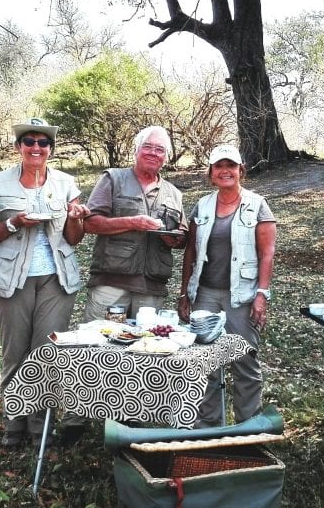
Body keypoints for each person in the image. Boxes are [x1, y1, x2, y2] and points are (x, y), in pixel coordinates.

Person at [0, 118, 89, 449]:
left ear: (50, 150)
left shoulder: (67, 183)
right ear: (19, 148)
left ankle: (40, 427)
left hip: (56, 279)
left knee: (46, 354)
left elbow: (74, 238)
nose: (36, 148)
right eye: (30, 142)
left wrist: (75, 218)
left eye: (43, 143)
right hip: (13, 279)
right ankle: (14, 426)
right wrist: (14, 222)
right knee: (16, 353)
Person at [177, 144, 277, 427]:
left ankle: (249, 428)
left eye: (231, 166)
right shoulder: (203, 205)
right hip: (206, 294)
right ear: (211, 174)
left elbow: (266, 253)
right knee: (204, 362)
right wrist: (185, 293)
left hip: (241, 296)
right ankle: (208, 426)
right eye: (218, 166)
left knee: (244, 361)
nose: (225, 171)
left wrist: (261, 295)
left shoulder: (257, 205)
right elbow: (191, 252)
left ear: (240, 171)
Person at [82, 125, 187, 322]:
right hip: (111, 286)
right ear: (136, 150)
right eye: (147, 146)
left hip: (151, 289)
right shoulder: (113, 179)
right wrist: (133, 222)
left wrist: (173, 239)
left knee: (145, 345)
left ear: (166, 157)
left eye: (160, 149)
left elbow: (182, 236)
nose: (153, 153)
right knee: (103, 345)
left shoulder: (173, 193)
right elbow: (90, 223)